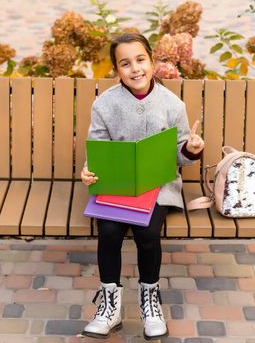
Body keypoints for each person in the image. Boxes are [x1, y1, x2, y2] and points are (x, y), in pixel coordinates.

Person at [80, 33, 204, 340]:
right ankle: (109, 306)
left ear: (152, 61)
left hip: (158, 184)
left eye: (140, 60)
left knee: (148, 233)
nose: (135, 69)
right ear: (116, 70)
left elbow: (181, 153)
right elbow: (97, 148)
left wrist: (192, 147)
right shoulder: (104, 104)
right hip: (117, 185)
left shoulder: (172, 104)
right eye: (125, 63)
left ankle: (150, 300)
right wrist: (89, 170)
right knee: (108, 232)